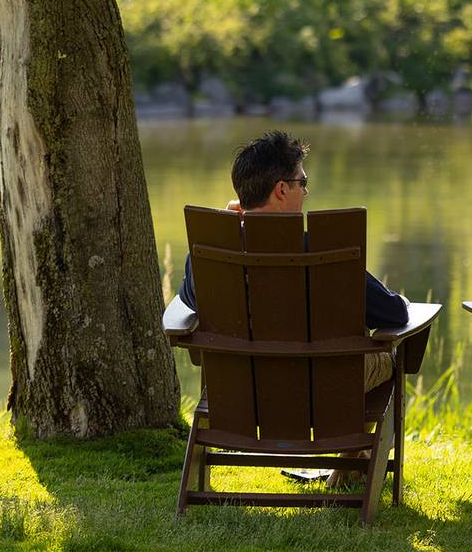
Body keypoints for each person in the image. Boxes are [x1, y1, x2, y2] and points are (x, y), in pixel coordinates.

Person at [162, 130, 409, 396]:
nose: (306, 190)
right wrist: (403, 303)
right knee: (391, 355)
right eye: (302, 182)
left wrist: (222, 232)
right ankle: (349, 435)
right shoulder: (321, 252)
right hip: (323, 387)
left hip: (242, 388)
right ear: (281, 189)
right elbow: (393, 314)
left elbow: (188, 298)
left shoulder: (214, 253)